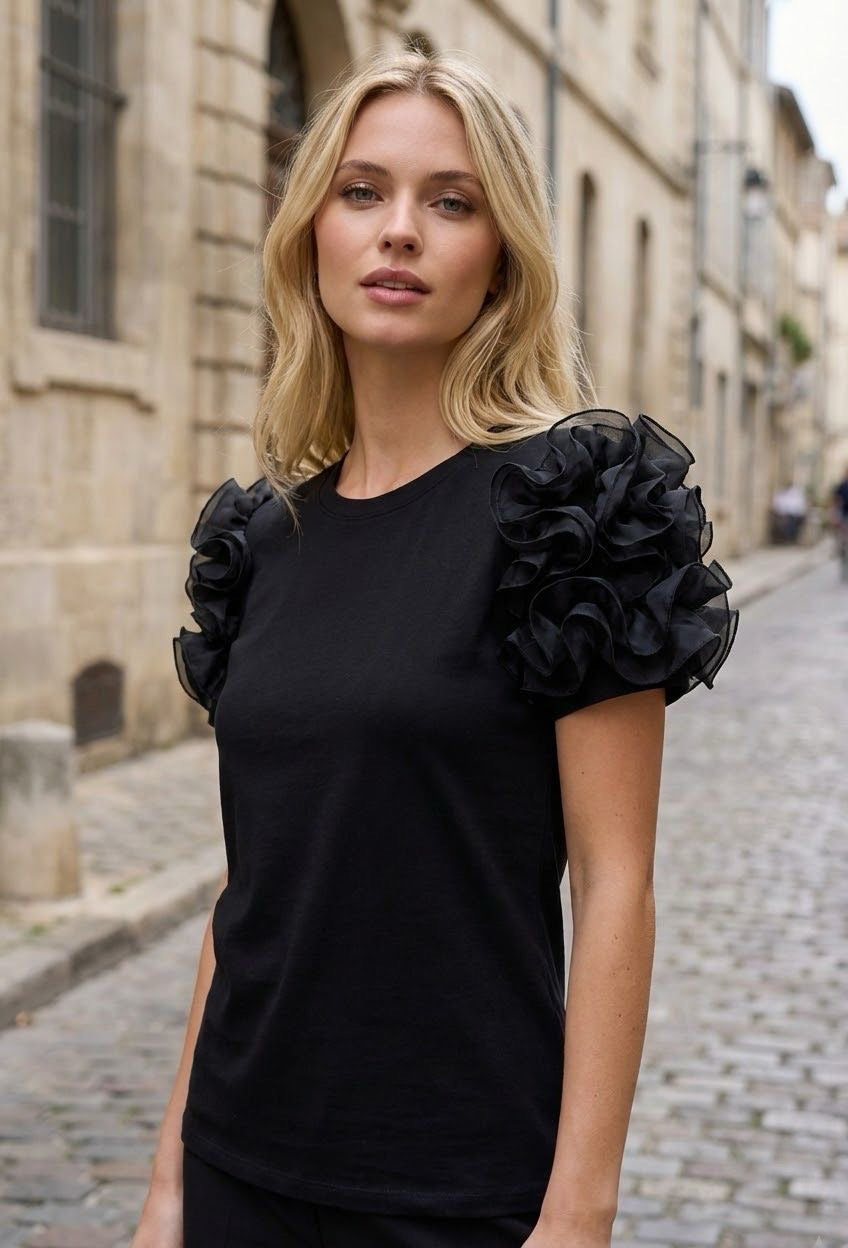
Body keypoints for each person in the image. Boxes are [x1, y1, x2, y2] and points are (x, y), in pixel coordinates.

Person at [131, 47, 739, 1248]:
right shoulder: (260, 541)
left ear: (500, 256)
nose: (397, 230)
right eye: (361, 191)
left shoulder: (571, 519)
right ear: (310, 232)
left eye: (449, 202)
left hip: (456, 1189)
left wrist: (577, 1214)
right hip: (237, 1164)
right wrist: (168, 1187)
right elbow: (250, 888)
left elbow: (612, 884)